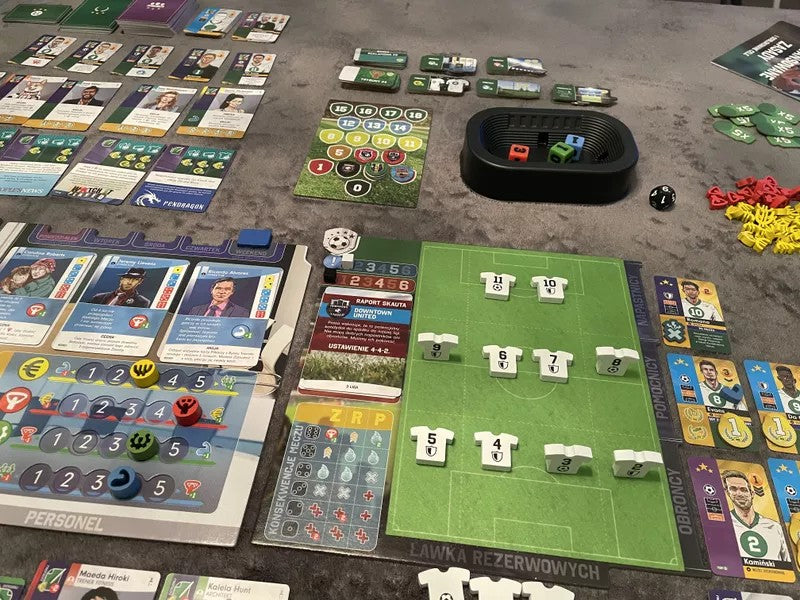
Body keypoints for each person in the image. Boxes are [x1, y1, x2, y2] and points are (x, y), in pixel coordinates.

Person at [722, 469, 791, 563]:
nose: (739, 494)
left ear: (752, 494)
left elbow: (789, 564)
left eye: (743, 489)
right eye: (733, 489)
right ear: (727, 493)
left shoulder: (775, 527)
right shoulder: (723, 526)